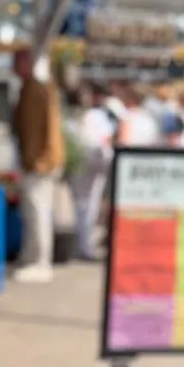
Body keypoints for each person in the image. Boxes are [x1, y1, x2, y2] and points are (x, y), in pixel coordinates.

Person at [11, 47, 65, 282]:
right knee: (33, 212)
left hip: (40, 163)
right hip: (37, 161)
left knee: (38, 212)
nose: (13, 66)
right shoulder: (32, 88)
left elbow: (43, 130)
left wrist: (40, 161)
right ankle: (32, 256)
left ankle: (40, 262)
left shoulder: (38, 90)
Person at [68, 81, 116, 260]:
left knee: (82, 205)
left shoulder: (73, 118)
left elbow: (106, 139)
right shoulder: (94, 116)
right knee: (88, 206)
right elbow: (106, 139)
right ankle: (83, 245)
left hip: (87, 164)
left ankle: (82, 245)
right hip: (90, 164)